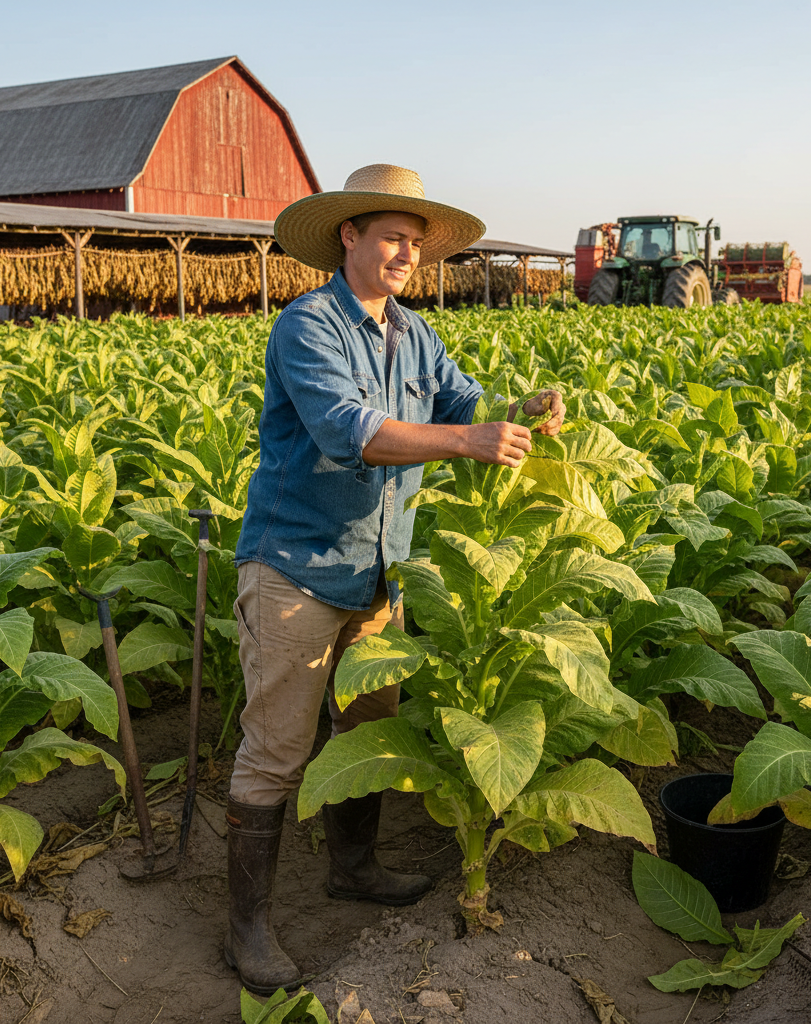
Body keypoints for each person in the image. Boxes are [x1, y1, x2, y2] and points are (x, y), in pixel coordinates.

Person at [226, 164, 565, 994]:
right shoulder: (308, 326)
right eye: (391, 238)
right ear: (349, 236)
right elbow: (351, 430)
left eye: (415, 243)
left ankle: (354, 869)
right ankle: (247, 930)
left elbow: (461, 402)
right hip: (297, 572)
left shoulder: (413, 333)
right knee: (276, 752)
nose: (405, 254)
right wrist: (468, 442)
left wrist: (520, 412)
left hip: (378, 577)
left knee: (367, 735)